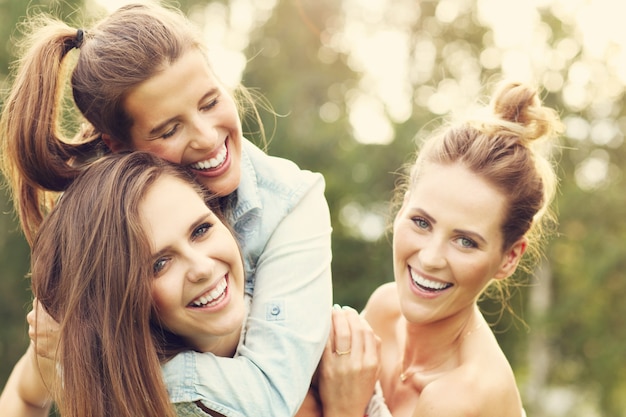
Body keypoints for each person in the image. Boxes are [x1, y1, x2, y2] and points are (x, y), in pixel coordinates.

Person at [0, 3, 332, 416]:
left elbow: (271, 394)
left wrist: (104, 368)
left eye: (210, 102)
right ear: (119, 145)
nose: (208, 138)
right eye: (169, 129)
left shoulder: (289, 202)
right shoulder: (99, 231)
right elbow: (31, 381)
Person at [301, 81, 562, 416]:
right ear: (403, 207)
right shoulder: (385, 306)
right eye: (422, 222)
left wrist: (345, 408)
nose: (429, 258)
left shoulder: (464, 396)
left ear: (508, 259)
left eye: (465, 241)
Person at [0, 151, 248, 417]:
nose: (202, 268)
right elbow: (24, 396)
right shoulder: (84, 353)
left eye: (201, 230)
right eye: (159, 264)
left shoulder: (289, 310)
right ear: (122, 296)